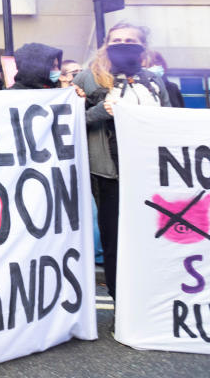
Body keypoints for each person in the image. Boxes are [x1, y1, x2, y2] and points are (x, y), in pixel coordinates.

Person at [73, 22, 171, 299]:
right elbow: (70, 122)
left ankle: (149, 300)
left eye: (130, 39)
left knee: (151, 237)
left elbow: (167, 117)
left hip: (149, 170)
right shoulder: (87, 78)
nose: (123, 43)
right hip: (109, 172)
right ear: (106, 44)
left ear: (142, 46)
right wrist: (100, 111)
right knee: (115, 240)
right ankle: (121, 302)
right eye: (117, 39)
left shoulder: (153, 80)